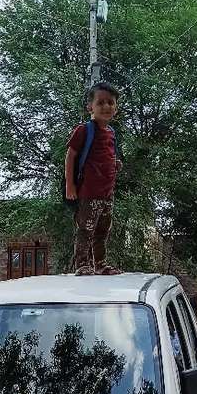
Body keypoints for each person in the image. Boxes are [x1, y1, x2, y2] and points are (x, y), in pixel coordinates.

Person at [65, 82, 122, 275]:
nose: (106, 107)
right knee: (86, 229)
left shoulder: (111, 133)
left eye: (111, 103)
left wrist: (115, 164)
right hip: (89, 192)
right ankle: (82, 264)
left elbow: (105, 156)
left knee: (103, 230)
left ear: (116, 107)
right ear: (90, 107)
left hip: (107, 193)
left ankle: (101, 264)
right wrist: (70, 186)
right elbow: (71, 156)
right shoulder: (84, 130)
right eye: (101, 102)